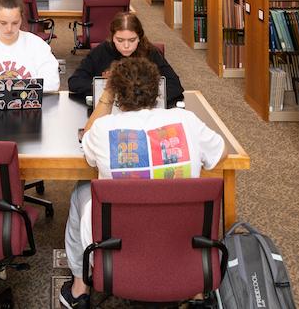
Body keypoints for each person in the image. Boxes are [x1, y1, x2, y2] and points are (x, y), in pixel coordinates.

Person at [59, 57, 224, 309]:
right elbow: (219, 154)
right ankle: (196, 292)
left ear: (116, 93)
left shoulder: (104, 129)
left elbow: (86, 142)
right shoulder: (186, 120)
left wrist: (106, 96)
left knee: (82, 190)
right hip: (180, 232)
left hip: (120, 239)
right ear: (156, 90)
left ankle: (80, 287)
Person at [67, 11, 184, 107]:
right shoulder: (101, 51)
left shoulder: (150, 52)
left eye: (132, 40)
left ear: (139, 38)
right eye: (120, 40)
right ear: (112, 37)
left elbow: (175, 85)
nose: (126, 46)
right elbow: (74, 82)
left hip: (144, 110)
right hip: (110, 109)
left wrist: (141, 96)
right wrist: (105, 86)